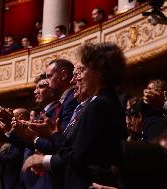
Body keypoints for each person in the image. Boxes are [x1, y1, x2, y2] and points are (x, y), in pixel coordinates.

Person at [23, 42, 127, 189]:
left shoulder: (99, 105)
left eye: (82, 70)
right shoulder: (106, 101)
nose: (77, 78)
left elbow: (76, 159)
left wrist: (53, 135)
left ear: (100, 71)